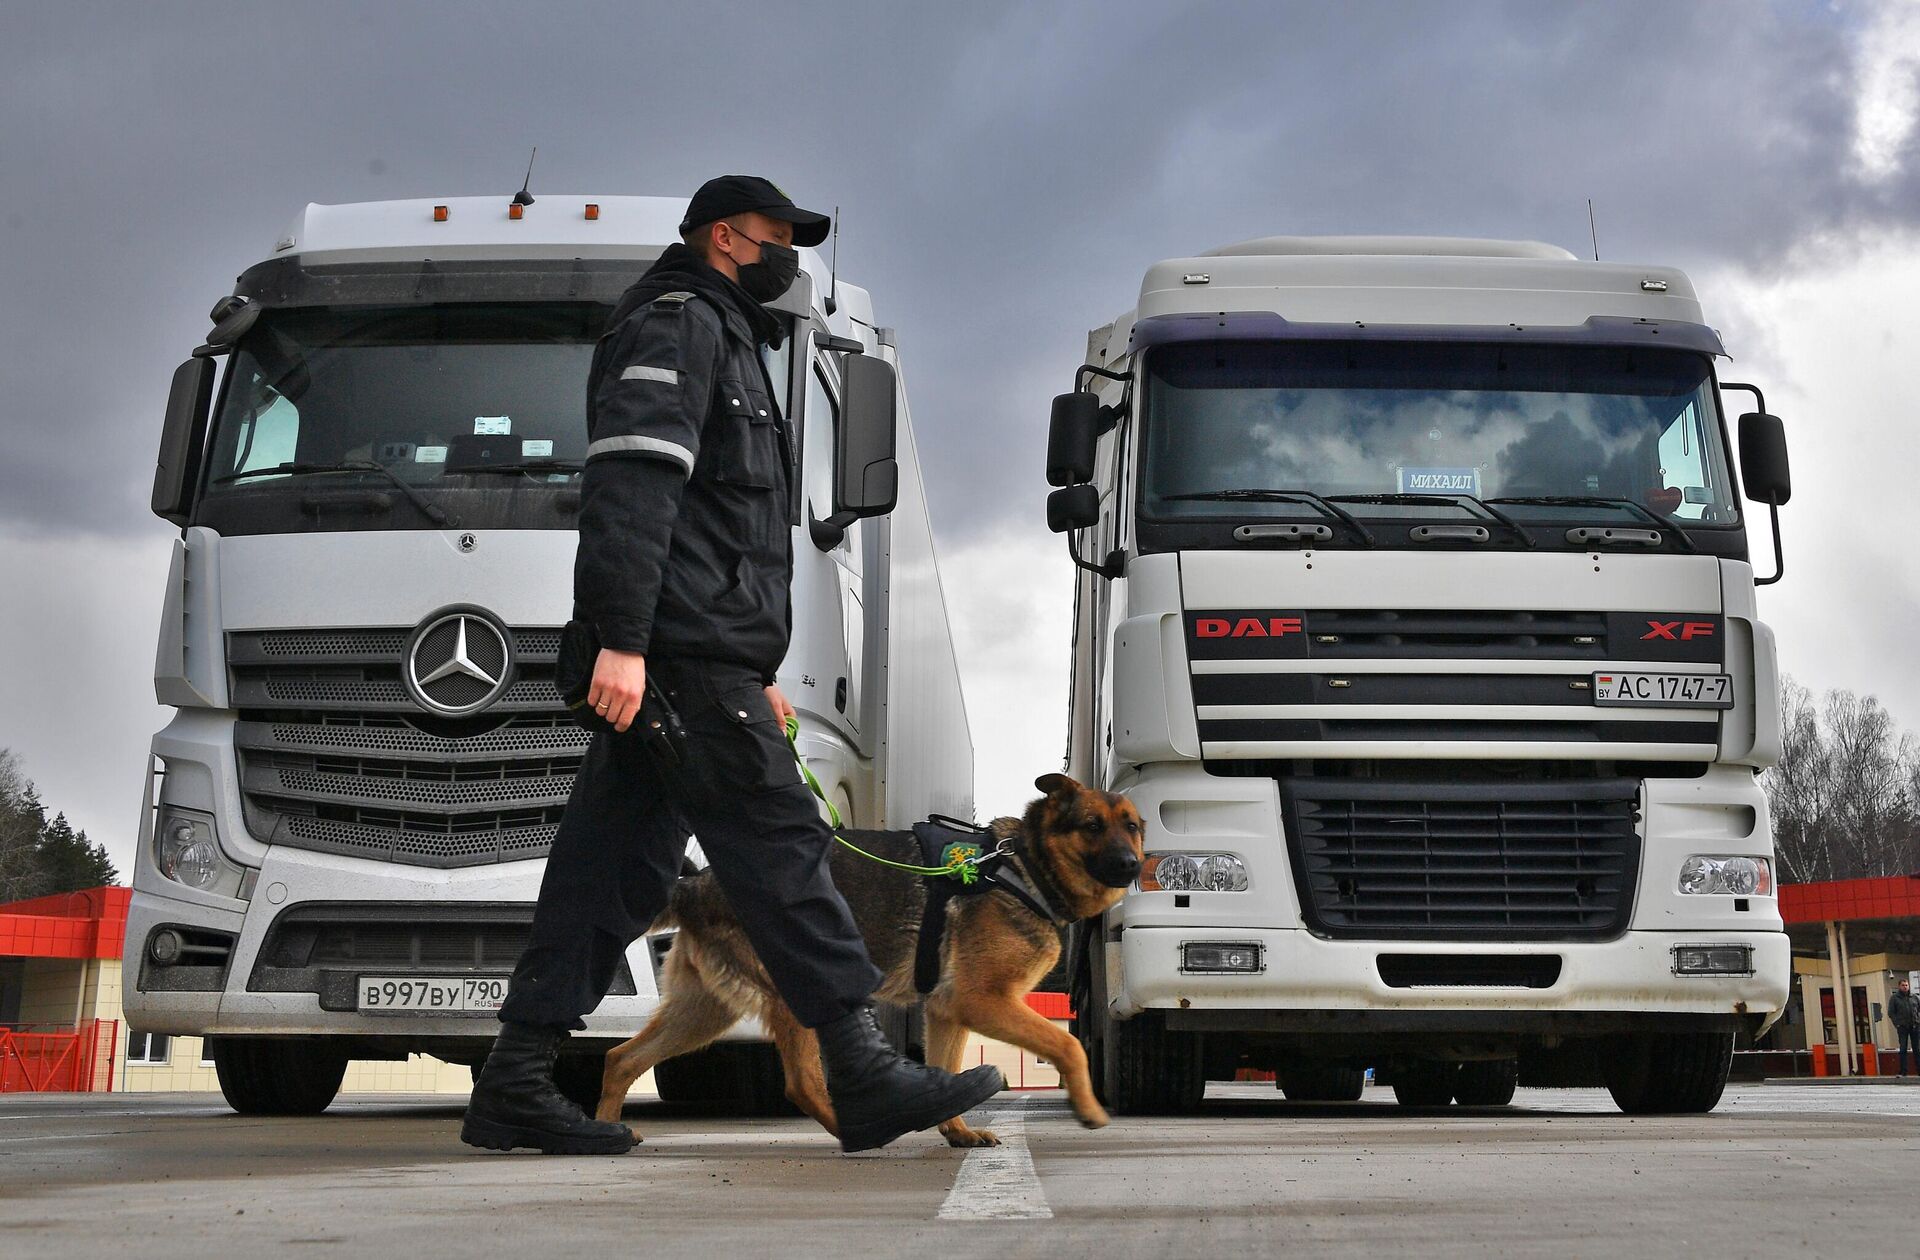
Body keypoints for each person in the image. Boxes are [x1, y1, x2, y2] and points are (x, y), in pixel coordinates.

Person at [461, 176, 1004, 1155]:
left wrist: (751, 662)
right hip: (675, 656)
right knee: (786, 853)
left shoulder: (727, 335)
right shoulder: (677, 326)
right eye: (773, 237)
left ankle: (515, 1082)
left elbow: (723, 526)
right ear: (724, 238)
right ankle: (864, 1071)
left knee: (605, 875)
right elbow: (632, 489)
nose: (786, 255)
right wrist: (624, 640)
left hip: (699, 657)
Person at [1890, 978, 1920, 1078]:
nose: (1905, 987)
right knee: (1903, 1049)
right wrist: (1897, 1024)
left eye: (1906, 985)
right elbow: (1891, 1012)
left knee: (1917, 1049)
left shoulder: (1914, 997)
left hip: (1915, 1026)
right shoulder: (1895, 998)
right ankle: (1903, 1071)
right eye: (1903, 985)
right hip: (1902, 1027)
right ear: (1899, 986)